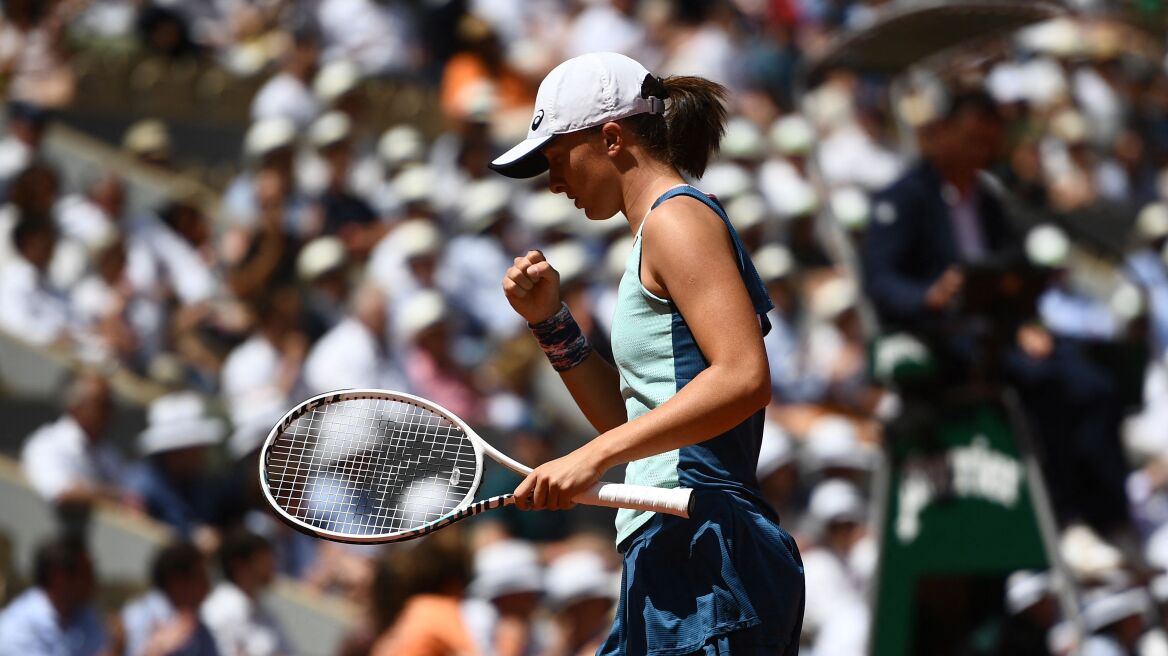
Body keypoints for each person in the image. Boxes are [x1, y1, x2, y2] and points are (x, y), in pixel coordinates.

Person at [491, 52, 805, 655]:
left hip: (705, 547)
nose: (554, 184)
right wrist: (552, 325)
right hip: (671, 549)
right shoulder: (657, 233)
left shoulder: (676, 220)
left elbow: (743, 378)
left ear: (612, 138)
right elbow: (637, 424)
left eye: (557, 161)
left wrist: (592, 457)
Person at [0, 535, 107, 656]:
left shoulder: (85, 614)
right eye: (86, 574)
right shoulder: (15, 629)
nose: (93, 581)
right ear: (58, 577)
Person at [121, 542, 219, 656]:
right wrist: (159, 649)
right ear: (177, 581)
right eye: (200, 576)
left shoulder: (200, 629)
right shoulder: (138, 615)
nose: (207, 586)